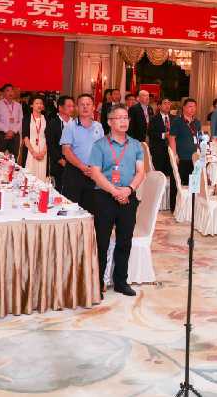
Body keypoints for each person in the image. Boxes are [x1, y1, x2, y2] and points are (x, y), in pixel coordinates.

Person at [88, 104, 146, 296]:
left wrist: (128, 190)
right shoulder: (99, 145)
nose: (124, 121)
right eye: (119, 118)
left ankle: (121, 281)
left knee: (124, 240)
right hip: (104, 197)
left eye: (126, 117)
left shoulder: (136, 145)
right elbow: (96, 174)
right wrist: (115, 191)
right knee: (102, 242)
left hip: (128, 196)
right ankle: (98, 283)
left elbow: (140, 172)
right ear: (109, 122)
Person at [60, 93, 105, 213]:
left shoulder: (99, 126)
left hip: (93, 174)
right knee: (71, 211)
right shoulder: (70, 126)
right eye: (82, 104)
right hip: (74, 174)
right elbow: (66, 151)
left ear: (93, 107)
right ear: (77, 107)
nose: (85, 107)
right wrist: (82, 167)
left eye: (88, 104)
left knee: (90, 212)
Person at [149, 97, 175, 209]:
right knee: (160, 175)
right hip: (158, 150)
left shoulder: (174, 118)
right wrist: (165, 135)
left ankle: (169, 202)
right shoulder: (154, 119)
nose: (167, 105)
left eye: (169, 103)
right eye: (165, 103)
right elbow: (151, 133)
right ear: (159, 106)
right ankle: (157, 201)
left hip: (171, 150)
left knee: (172, 174)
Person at [169, 98, 201, 189]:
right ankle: (175, 199)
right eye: (190, 106)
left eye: (194, 106)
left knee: (193, 187)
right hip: (182, 158)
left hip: (195, 158)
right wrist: (174, 155)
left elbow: (198, 138)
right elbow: (171, 138)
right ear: (184, 107)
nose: (193, 109)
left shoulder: (197, 122)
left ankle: (192, 199)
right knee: (178, 186)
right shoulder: (177, 121)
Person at [46, 95, 74, 191]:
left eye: (73, 106)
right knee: (58, 190)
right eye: (69, 106)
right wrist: (60, 160)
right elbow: (50, 145)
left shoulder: (75, 123)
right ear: (60, 108)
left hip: (74, 163)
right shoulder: (53, 123)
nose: (71, 109)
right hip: (58, 163)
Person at [21, 95, 48, 181]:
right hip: (30, 149)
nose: (39, 105)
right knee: (29, 175)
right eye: (37, 103)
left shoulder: (46, 118)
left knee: (42, 175)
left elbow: (49, 137)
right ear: (31, 105)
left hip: (43, 150)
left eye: (41, 103)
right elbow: (25, 137)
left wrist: (43, 152)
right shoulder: (27, 118)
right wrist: (33, 153)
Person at [0, 83, 22, 157]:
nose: (10, 92)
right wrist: (7, 131)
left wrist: (13, 131)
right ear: (3, 93)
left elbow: (21, 120)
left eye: (12, 90)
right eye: (8, 90)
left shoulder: (18, 105)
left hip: (15, 135)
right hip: (2, 134)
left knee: (14, 157)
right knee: (1, 157)